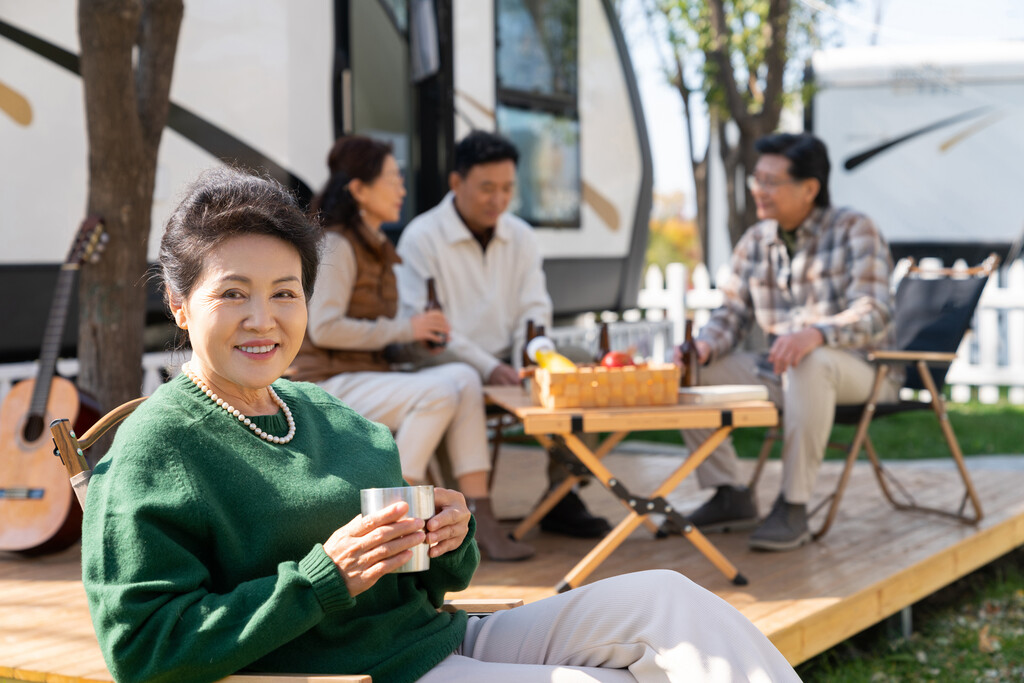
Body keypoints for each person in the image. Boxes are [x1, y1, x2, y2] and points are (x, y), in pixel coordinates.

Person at [81, 167, 801, 683]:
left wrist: (445, 542)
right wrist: (320, 578)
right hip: (354, 670)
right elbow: (142, 649)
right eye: (232, 293)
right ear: (179, 303)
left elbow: (422, 588)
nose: (263, 318)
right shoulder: (158, 446)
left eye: (285, 292)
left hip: (437, 637)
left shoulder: (327, 413)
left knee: (670, 599)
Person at [287, 136, 533, 562]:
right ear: (360, 190)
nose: (402, 189)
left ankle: (481, 513)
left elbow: (375, 333)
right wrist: (406, 326)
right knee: (440, 391)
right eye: (392, 179)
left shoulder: (377, 246)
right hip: (324, 382)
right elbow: (324, 328)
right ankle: (401, 505)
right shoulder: (339, 244)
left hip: (363, 375)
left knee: (462, 378)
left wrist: (414, 341)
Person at [671, 132, 900, 552]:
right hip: (784, 368)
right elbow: (731, 315)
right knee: (692, 372)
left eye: (771, 182)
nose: (759, 190)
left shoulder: (855, 229)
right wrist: (703, 346)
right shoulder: (756, 241)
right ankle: (728, 495)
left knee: (810, 361)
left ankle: (793, 505)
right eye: (756, 179)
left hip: (863, 369)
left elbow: (875, 312)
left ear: (810, 188)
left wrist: (817, 334)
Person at [395, 130, 610, 539]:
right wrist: (491, 367)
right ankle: (462, 511)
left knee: (581, 367)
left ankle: (561, 494)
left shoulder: (521, 236)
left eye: (508, 188)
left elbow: (534, 310)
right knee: (463, 378)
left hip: (507, 359)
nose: (499, 200)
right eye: (487, 188)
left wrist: (532, 359)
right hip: (445, 359)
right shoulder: (421, 237)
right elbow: (433, 330)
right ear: (456, 183)